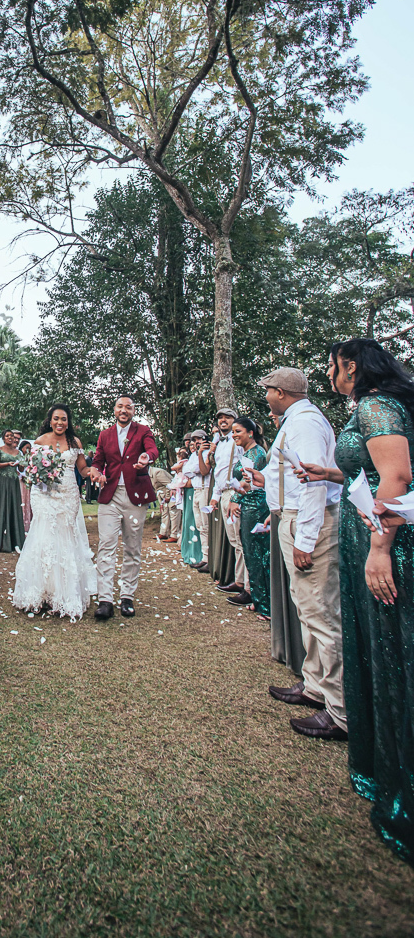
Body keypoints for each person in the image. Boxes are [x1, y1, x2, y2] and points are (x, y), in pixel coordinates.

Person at [301, 339, 414, 863]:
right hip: (363, 534)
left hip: (383, 545)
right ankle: (382, 766)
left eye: (332, 364)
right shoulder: (372, 408)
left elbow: (395, 477)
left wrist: (378, 549)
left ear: (351, 365)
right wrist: (330, 473)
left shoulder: (374, 404)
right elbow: (367, 470)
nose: (329, 372)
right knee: (376, 649)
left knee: (392, 651)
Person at [253, 367, 345, 740]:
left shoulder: (305, 423)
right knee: (306, 606)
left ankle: (340, 710)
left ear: (280, 392)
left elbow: (314, 482)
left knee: (321, 612)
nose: (266, 396)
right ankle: (314, 686)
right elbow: (293, 475)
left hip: (310, 524)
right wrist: (265, 482)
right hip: (292, 518)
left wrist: (307, 538)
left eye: (268, 390)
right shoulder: (297, 419)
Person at [12, 404, 96, 619]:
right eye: (56, 419)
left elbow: (82, 469)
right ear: (50, 420)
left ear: (68, 422)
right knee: (45, 535)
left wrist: (93, 471)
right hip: (45, 494)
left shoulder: (74, 442)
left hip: (68, 493)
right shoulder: (40, 442)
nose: (60, 423)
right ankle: (39, 592)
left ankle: (64, 593)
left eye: (64, 419)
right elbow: (33, 469)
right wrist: (40, 475)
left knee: (66, 536)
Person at [89, 396, 158, 619]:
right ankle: (105, 600)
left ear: (133, 411)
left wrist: (146, 457)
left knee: (132, 547)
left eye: (128, 407)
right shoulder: (105, 434)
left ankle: (127, 597)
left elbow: (152, 450)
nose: (124, 410)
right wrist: (96, 472)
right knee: (106, 545)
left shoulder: (143, 430)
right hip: (110, 496)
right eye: (120, 406)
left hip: (136, 495)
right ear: (114, 410)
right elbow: (98, 461)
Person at [228, 416, 270, 615]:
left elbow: (248, 481)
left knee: (256, 553)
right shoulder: (245, 452)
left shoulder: (257, 453)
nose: (234, 434)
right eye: (233, 431)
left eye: (238, 431)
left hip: (256, 504)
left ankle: (264, 602)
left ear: (250, 433)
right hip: (247, 504)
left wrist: (235, 498)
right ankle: (257, 596)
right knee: (249, 551)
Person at [201, 409, 241, 588]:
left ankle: (242, 583)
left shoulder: (238, 442)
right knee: (233, 540)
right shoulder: (219, 444)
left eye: (228, 417)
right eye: (220, 418)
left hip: (235, 493)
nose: (223, 420)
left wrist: (237, 495)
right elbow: (219, 472)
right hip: (223, 494)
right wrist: (215, 497)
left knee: (239, 540)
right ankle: (238, 580)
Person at [0, 429, 26, 552]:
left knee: (13, 507)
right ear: (3, 438)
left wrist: (23, 462)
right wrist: (7, 464)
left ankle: (14, 541)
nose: (10, 438)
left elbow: (21, 467)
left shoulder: (18, 452)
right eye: (7, 436)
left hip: (13, 482)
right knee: (0, 506)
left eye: (12, 436)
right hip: (1, 481)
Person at [183, 431, 212, 572]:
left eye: (199, 438)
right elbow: (187, 470)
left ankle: (209, 558)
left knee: (206, 525)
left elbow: (203, 470)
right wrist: (195, 470)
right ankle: (204, 558)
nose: (197, 442)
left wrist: (196, 469)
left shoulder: (208, 453)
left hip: (205, 489)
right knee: (200, 525)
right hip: (196, 490)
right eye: (194, 439)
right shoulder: (194, 456)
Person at [19, 439, 34, 532]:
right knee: (23, 501)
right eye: (26, 448)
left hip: (30, 483)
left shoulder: (32, 458)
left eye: (30, 448)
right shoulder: (20, 456)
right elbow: (19, 469)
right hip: (22, 482)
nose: (28, 450)